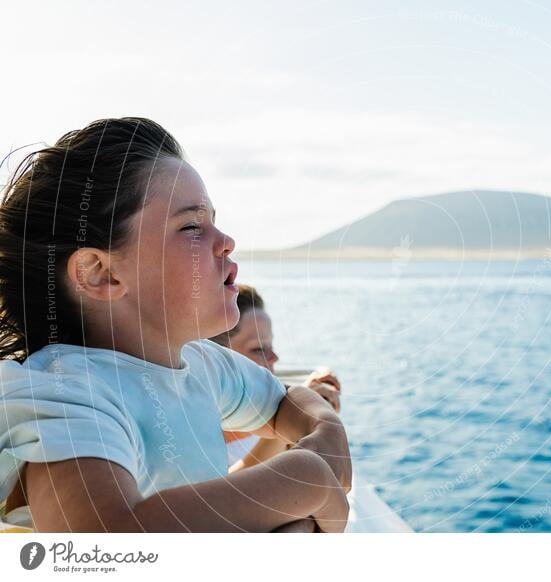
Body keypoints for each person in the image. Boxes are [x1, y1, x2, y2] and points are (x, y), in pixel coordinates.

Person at [0, 118, 351, 533]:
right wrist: (303, 480)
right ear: (99, 273)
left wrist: (324, 427)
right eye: (191, 227)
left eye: (214, 221)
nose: (226, 240)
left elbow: (283, 402)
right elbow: (104, 542)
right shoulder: (67, 397)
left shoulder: (203, 364)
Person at [210, 285, 342, 470]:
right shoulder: (199, 431)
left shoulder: (267, 409)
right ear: (214, 357)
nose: (275, 358)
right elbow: (228, 490)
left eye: (271, 346)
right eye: (259, 349)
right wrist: (295, 414)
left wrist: (309, 411)